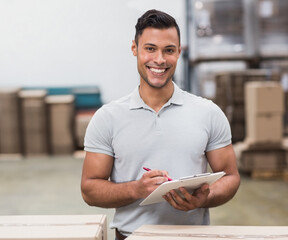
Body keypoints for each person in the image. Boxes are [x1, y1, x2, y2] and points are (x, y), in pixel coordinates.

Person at [80, 9, 240, 239]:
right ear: (135, 48)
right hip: (130, 236)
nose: (160, 60)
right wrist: (136, 189)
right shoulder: (108, 118)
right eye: (150, 48)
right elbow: (89, 189)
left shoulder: (208, 113)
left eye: (169, 50)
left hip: (193, 237)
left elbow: (231, 177)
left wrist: (205, 197)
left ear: (179, 52)